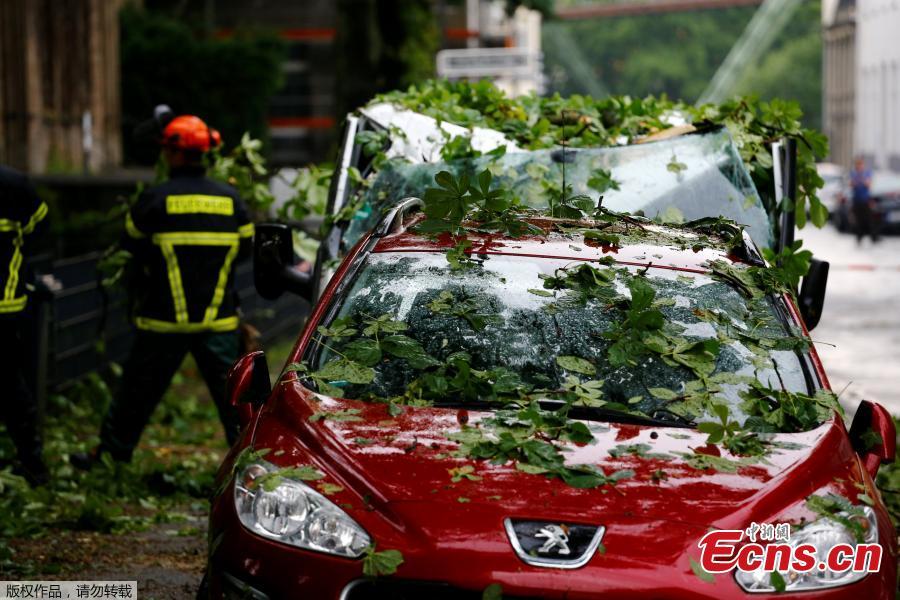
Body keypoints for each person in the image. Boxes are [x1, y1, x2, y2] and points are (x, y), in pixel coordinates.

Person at [73, 114, 254, 467]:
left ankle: (110, 457)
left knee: (136, 394)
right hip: (217, 322)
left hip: (162, 321)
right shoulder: (232, 202)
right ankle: (253, 461)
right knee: (237, 400)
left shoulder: (154, 200)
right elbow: (246, 252)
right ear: (207, 152)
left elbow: (131, 249)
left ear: (171, 154)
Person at [0, 165, 50, 485]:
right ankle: (33, 464)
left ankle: (33, 463)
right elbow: (40, 230)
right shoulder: (13, 185)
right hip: (6, 307)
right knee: (11, 388)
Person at [850, 157, 878, 244]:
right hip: (856, 200)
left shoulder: (867, 173)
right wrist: (858, 181)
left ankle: (873, 237)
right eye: (858, 165)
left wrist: (861, 179)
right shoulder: (853, 173)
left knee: (869, 219)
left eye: (861, 165)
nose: (859, 166)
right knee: (858, 220)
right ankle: (859, 237)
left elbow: (868, 184)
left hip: (865, 200)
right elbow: (851, 184)